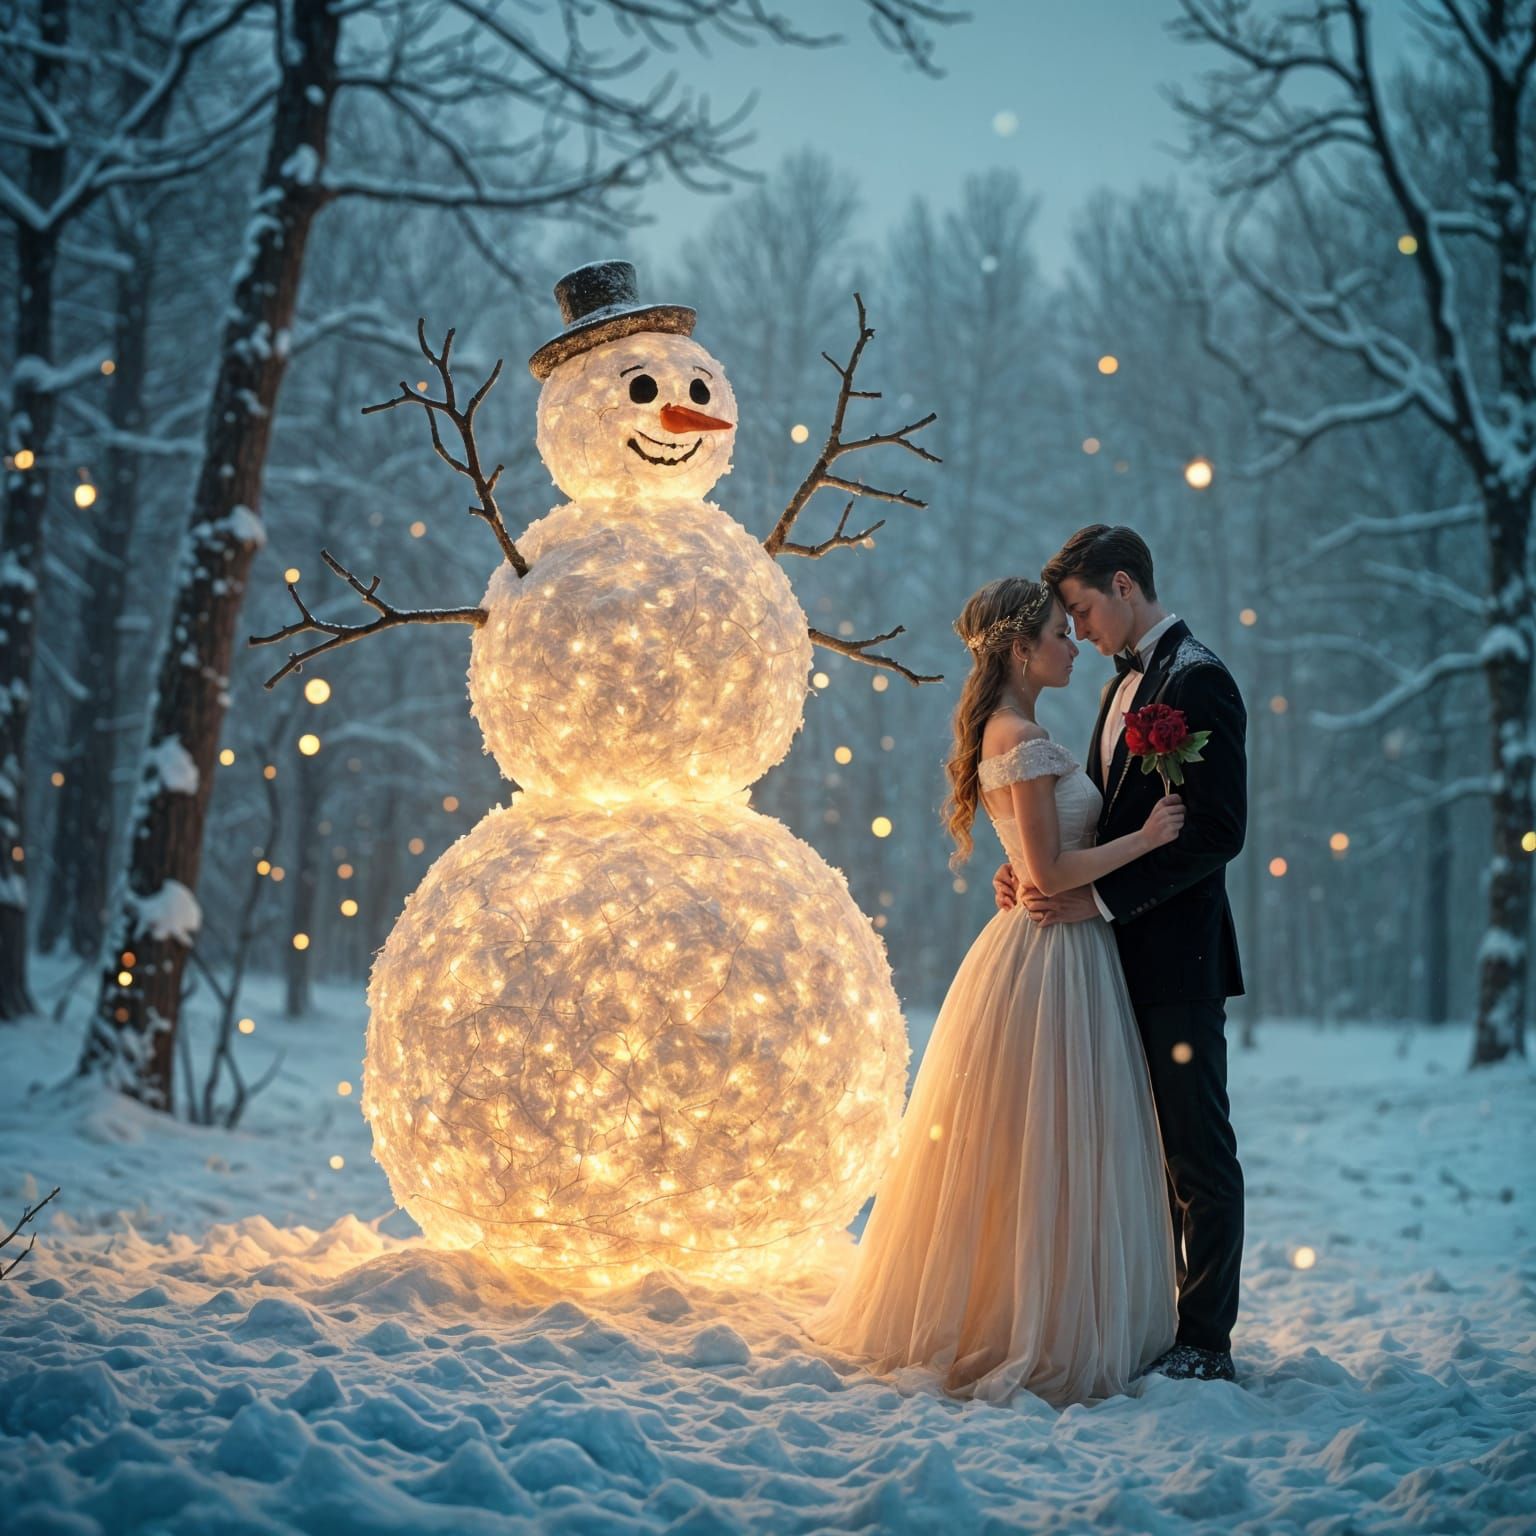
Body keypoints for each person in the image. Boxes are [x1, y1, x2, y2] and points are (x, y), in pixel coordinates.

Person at [804, 576, 1184, 1407]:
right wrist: (1147, 841)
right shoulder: (1022, 737)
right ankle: (1037, 1322)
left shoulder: (1016, 731)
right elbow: (1051, 871)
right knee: (1049, 1139)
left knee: (1034, 1142)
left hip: (1048, 948)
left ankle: (1031, 1306)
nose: (1072, 643)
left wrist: (1027, 866)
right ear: (1018, 648)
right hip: (1056, 952)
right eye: (1057, 633)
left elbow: (1029, 859)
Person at [996, 524, 1247, 1384]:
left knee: (1195, 1151)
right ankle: (1136, 1318)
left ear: (1126, 585)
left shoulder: (1200, 681)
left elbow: (1217, 831)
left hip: (1175, 961)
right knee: (1126, 1148)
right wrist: (1029, 869)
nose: (1081, 630)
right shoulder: (1117, 694)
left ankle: (1204, 1339)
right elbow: (1100, 824)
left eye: (1082, 609)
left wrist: (1095, 896)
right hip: (1101, 961)